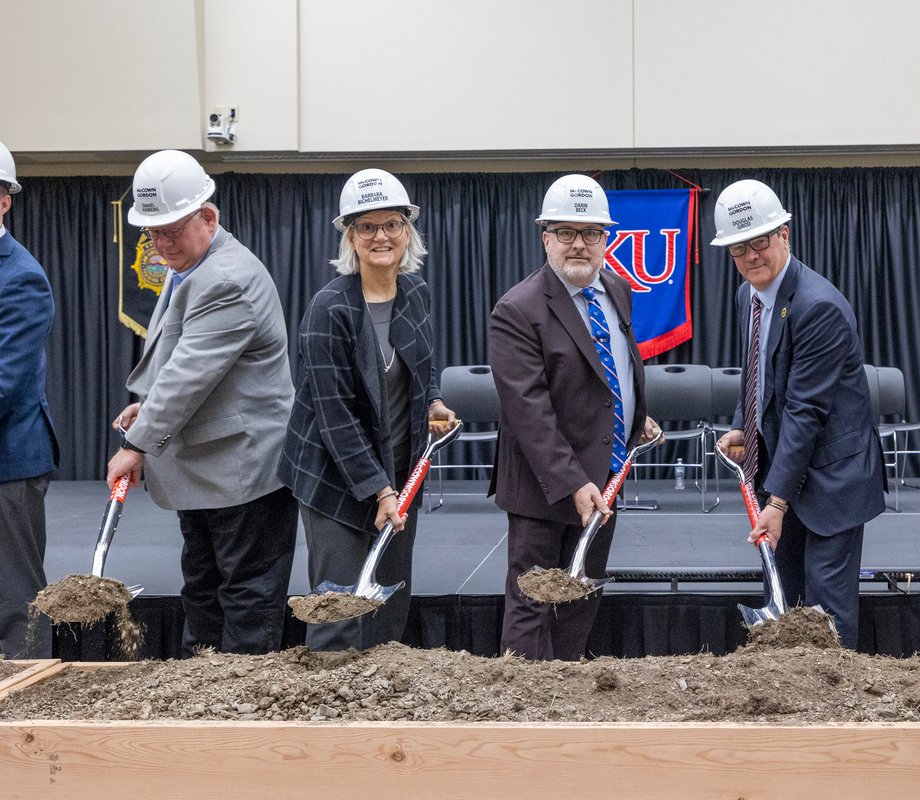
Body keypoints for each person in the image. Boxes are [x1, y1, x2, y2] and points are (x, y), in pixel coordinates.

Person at [105, 150, 297, 656]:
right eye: (152, 233)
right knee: (204, 591)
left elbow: (191, 373)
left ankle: (240, 714)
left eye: (170, 230)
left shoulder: (227, 277)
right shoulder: (190, 264)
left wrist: (138, 444)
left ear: (208, 217)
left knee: (247, 598)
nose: (159, 243)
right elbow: (178, 354)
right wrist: (145, 404)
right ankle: (201, 699)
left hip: (243, 474)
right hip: (210, 472)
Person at [279, 169, 456, 651]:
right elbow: (334, 416)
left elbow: (423, 365)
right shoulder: (328, 309)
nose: (381, 236)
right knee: (341, 607)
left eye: (392, 225)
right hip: (335, 476)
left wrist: (435, 400)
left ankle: (382, 709)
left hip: (401, 470)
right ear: (350, 237)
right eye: (367, 226)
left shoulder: (415, 292)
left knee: (389, 601)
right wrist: (379, 491)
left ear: (407, 231)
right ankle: (334, 709)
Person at [489, 174, 659, 662]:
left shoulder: (616, 289)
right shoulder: (517, 309)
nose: (579, 244)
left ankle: (567, 703)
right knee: (533, 604)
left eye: (591, 233)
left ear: (607, 239)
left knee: (581, 595)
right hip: (546, 488)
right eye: (566, 233)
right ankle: (524, 711)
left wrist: (635, 418)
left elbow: (617, 371)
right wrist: (572, 481)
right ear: (546, 238)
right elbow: (529, 409)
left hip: (605, 478)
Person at [711, 179, 884, 650]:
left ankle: (836, 713)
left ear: (785, 233)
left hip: (833, 480)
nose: (750, 256)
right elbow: (757, 374)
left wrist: (777, 503)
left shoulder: (818, 306)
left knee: (826, 615)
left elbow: (804, 411)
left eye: (760, 242)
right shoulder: (747, 297)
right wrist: (741, 425)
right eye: (737, 248)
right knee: (781, 600)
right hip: (784, 472)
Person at [0, 140, 58, 658]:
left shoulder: (21, 278)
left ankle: (24, 716)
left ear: (4, 200)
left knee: (15, 604)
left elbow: (4, 382)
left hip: (9, 465)